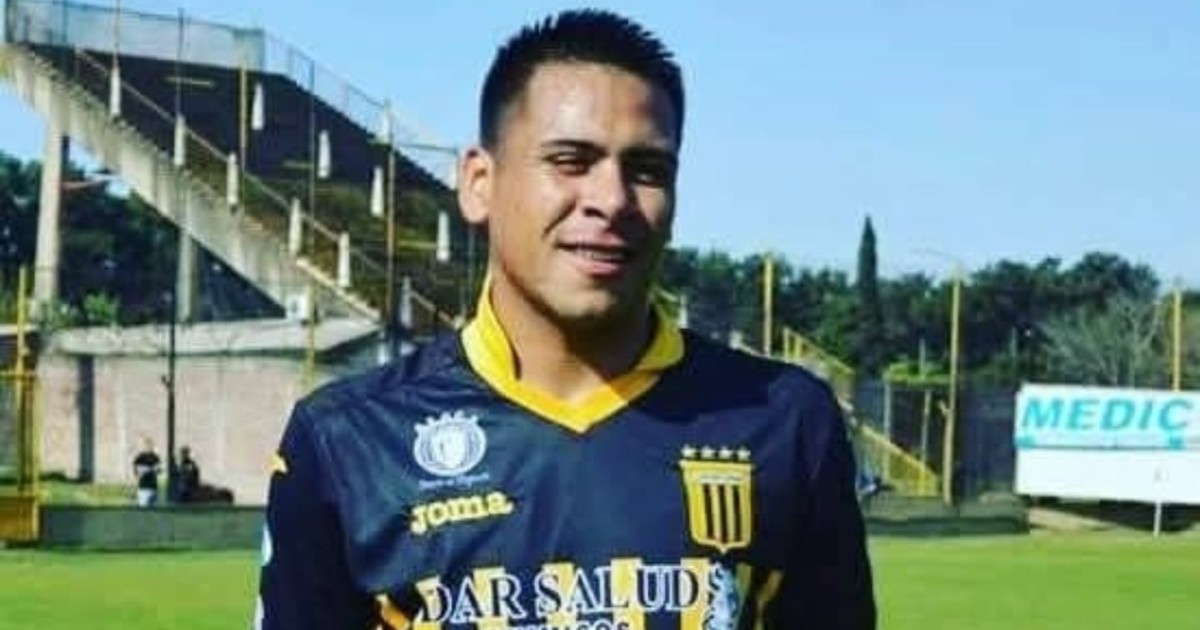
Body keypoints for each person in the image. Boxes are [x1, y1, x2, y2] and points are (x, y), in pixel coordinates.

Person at [256, 9, 875, 629]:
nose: (612, 200)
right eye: (571, 160)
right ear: (479, 183)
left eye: (647, 171)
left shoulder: (786, 421)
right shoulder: (347, 439)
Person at [131, 438, 161, 508]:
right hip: (143, 487)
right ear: (144, 446)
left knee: (153, 509)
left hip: (153, 487)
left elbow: (159, 470)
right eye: (147, 445)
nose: (149, 447)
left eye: (151, 445)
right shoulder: (140, 457)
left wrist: (156, 470)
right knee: (144, 509)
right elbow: (136, 471)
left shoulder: (155, 457)